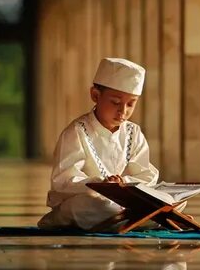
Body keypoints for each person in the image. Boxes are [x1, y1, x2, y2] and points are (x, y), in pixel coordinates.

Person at [37, 58, 186, 231]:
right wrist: (103, 184)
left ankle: (126, 220)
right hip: (92, 200)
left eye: (131, 104)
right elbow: (64, 180)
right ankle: (142, 220)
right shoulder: (77, 132)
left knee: (171, 199)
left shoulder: (133, 132)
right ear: (95, 96)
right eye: (115, 102)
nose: (123, 111)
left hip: (125, 201)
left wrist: (125, 184)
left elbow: (146, 175)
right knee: (93, 206)